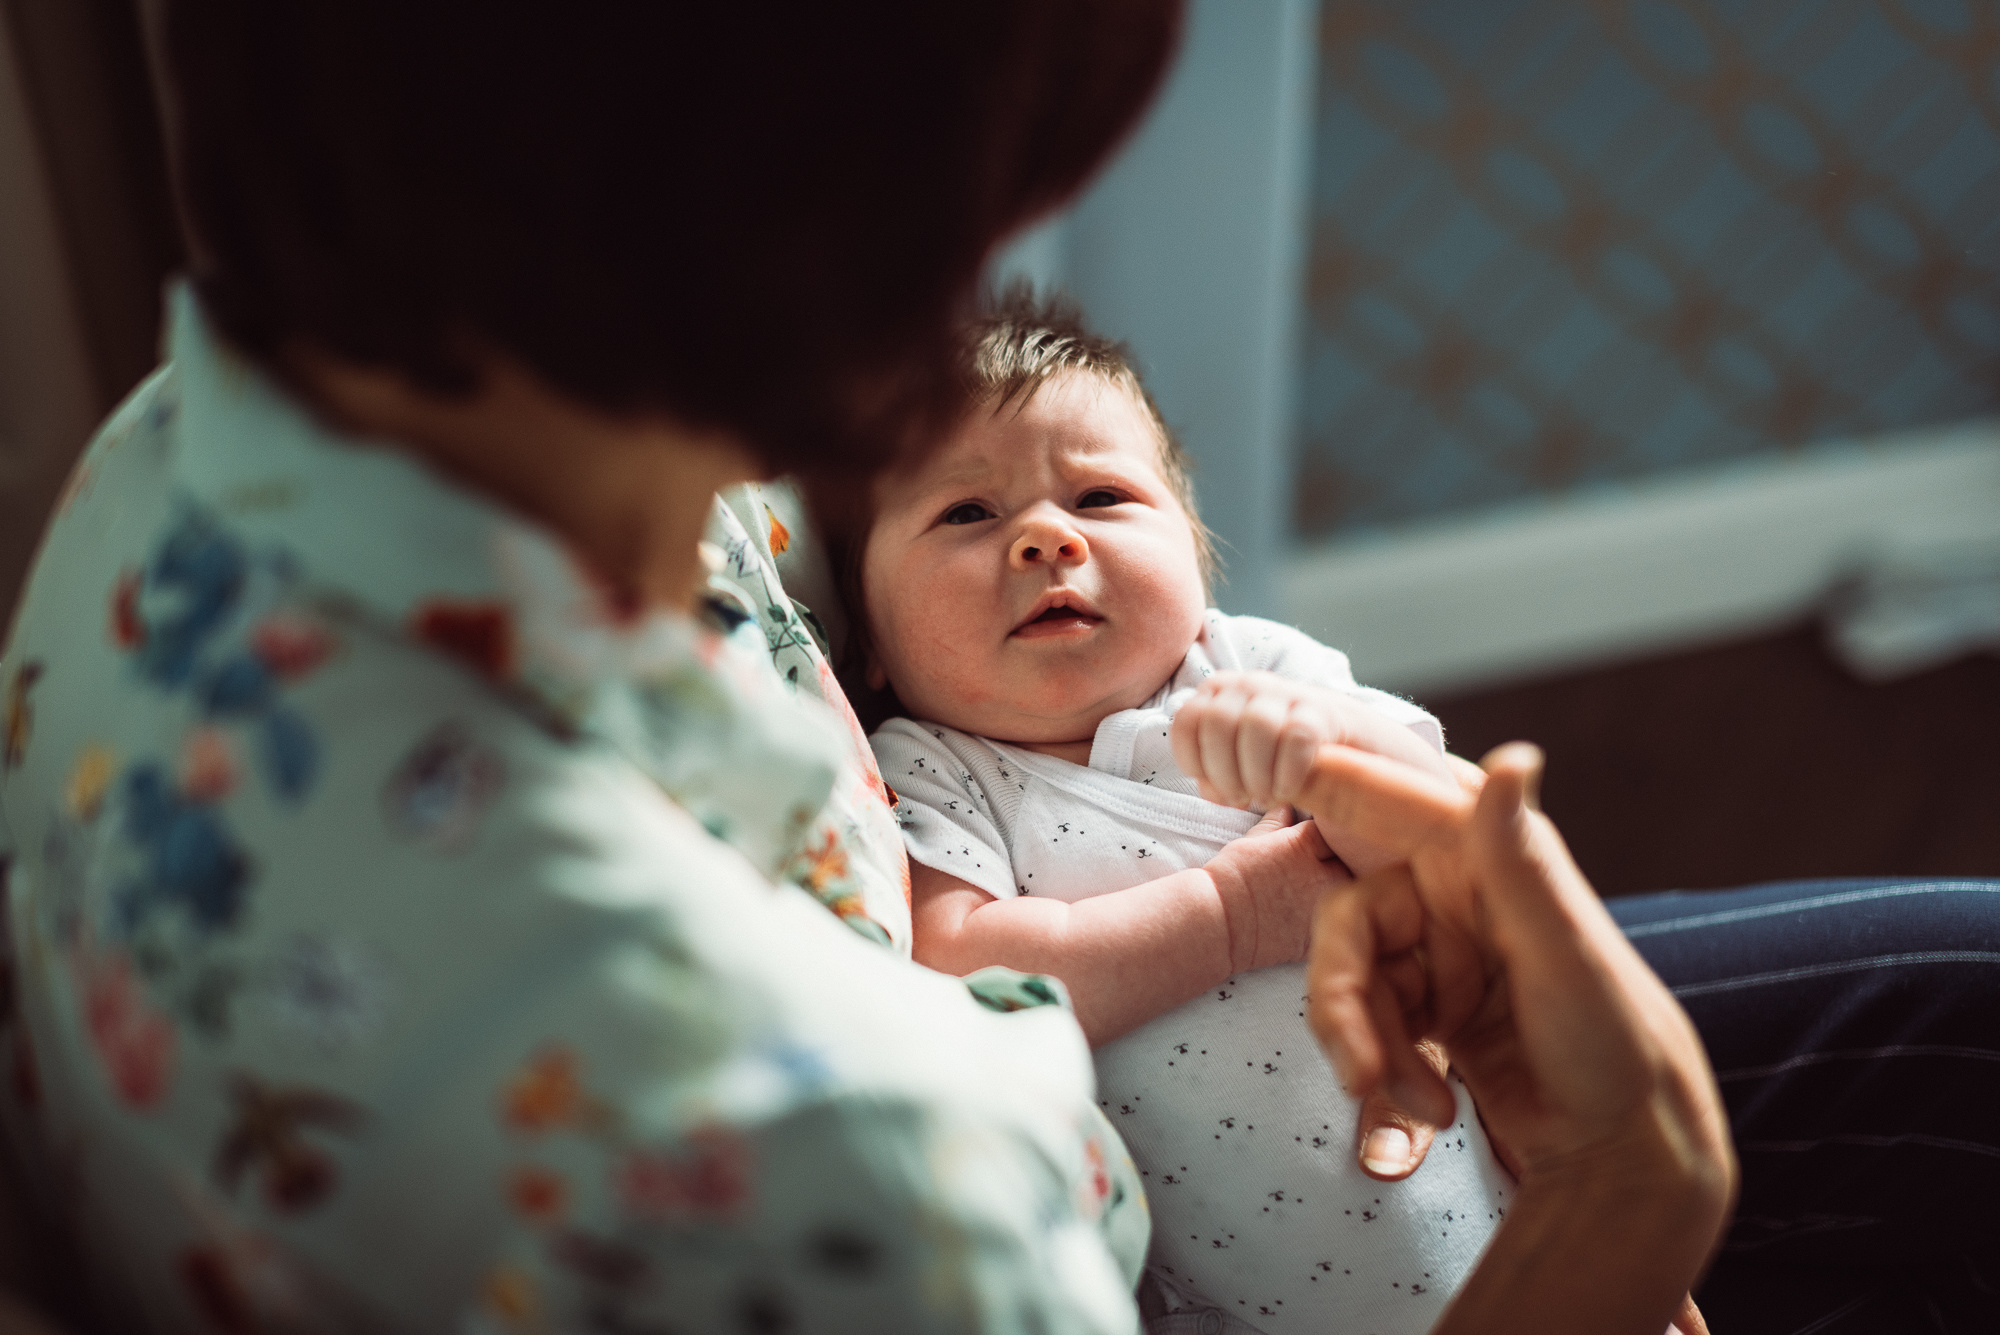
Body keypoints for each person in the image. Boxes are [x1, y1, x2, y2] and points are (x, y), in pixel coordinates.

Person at [0, 3, 1979, 1333]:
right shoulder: (859, 1182)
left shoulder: (177, 460)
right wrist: (1621, 1213)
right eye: (995, 189)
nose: (1000, 271)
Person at [854, 296, 1514, 1331]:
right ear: (873, 649)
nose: (1042, 536)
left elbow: (1465, 848)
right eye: (966, 514)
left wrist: (1339, 754)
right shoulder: (937, 770)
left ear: (1196, 557)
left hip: (1511, 1215)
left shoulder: (1256, 671)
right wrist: (1231, 914)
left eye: (1102, 495)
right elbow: (960, 975)